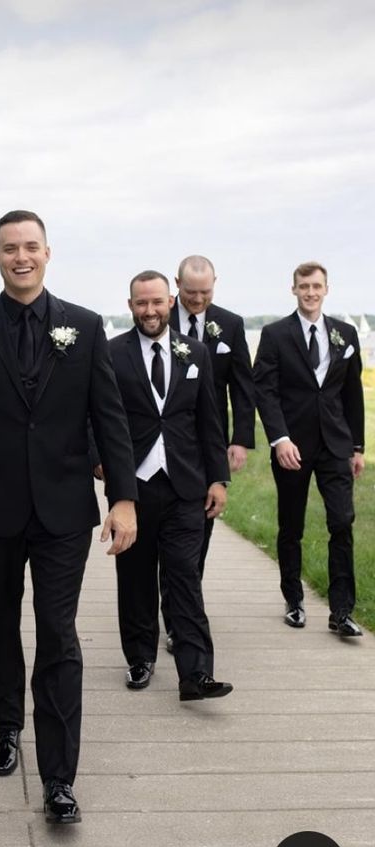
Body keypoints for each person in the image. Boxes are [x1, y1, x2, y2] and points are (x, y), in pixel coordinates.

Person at [0, 210, 138, 824]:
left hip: (64, 510)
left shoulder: (86, 326)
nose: (21, 257)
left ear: (49, 253)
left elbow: (110, 418)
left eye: (31, 247)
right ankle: (4, 725)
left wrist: (122, 498)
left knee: (58, 635)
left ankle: (61, 780)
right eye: (9, 248)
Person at [106, 270, 233, 701]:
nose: (150, 311)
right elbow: (93, 417)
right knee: (136, 576)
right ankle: (140, 658)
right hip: (134, 487)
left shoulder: (194, 352)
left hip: (185, 485)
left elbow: (209, 421)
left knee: (184, 577)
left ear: (170, 301)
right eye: (141, 303)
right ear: (130, 306)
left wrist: (218, 478)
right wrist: (99, 463)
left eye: (157, 302)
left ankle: (196, 674)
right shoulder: (111, 354)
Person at [253, 262, 365, 636]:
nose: (310, 292)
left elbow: (351, 395)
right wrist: (279, 438)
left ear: (326, 289)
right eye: (304, 286)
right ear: (294, 289)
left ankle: (342, 611)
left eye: (317, 286)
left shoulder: (345, 334)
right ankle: (294, 601)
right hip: (292, 446)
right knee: (291, 526)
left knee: (342, 523)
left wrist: (358, 446)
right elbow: (264, 391)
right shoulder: (274, 334)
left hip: (335, 445)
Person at [164, 255, 255, 653]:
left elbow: (243, 386)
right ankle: (174, 613)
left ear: (215, 284)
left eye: (206, 292)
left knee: (199, 529)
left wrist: (240, 438)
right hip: (164, 440)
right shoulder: (157, 316)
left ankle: (183, 607)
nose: (198, 300)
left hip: (210, 440)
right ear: (176, 285)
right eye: (190, 292)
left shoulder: (230, 324)